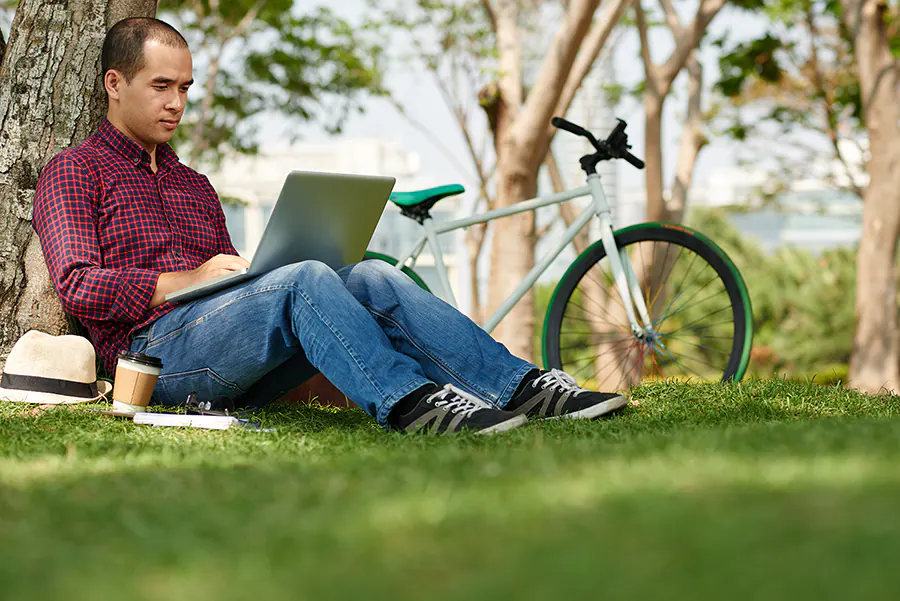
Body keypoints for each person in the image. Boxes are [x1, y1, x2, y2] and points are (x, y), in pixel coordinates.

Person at [32, 17, 627, 435]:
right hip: (152, 359)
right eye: (161, 87)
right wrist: (186, 279)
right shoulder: (74, 171)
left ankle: (525, 388)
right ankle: (412, 404)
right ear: (115, 84)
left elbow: (240, 288)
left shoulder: (193, 184)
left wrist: (239, 273)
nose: (176, 104)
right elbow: (79, 286)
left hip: (232, 352)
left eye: (184, 88)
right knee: (304, 278)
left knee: (368, 273)